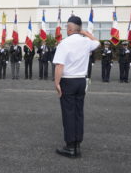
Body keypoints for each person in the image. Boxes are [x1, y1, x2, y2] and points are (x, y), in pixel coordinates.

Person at [53, 16, 100, 158]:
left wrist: (56, 83)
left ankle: (70, 147)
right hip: (81, 81)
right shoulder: (86, 42)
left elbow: (60, 65)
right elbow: (97, 43)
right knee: (78, 112)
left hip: (68, 81)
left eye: (67, 27)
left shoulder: (65, 43)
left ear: (69, 28)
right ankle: (77, 145)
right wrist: (86, 33)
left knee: (68, 113)